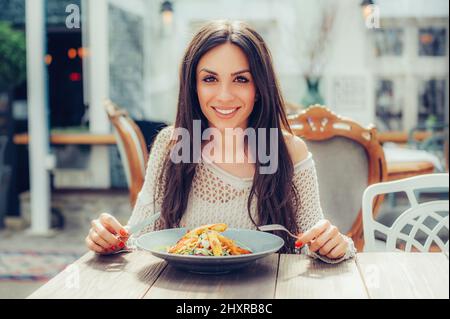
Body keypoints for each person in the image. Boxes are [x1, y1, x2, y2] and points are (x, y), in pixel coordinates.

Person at [86, 20, 356, 263]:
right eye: (210, 79)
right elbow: (136, 238)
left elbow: (314, 240)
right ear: (193, 86)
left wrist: (335, 245)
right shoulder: (173, 145)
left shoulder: (288, 150)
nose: (224, 96)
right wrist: (111, 240)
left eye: (240, 79)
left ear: (260, 88)